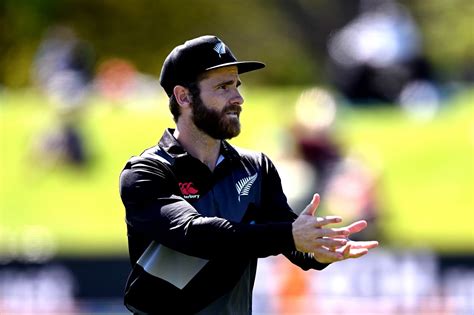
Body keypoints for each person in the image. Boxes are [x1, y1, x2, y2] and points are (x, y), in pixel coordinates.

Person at [119, 35, 379, 314]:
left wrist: (318, 250)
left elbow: (293, 244)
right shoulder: (146, 172)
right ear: (183, 96)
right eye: (222, 87)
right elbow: (194, 234)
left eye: (236, 86)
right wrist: (289, 235)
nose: (238, 98)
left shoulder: (255, 167)